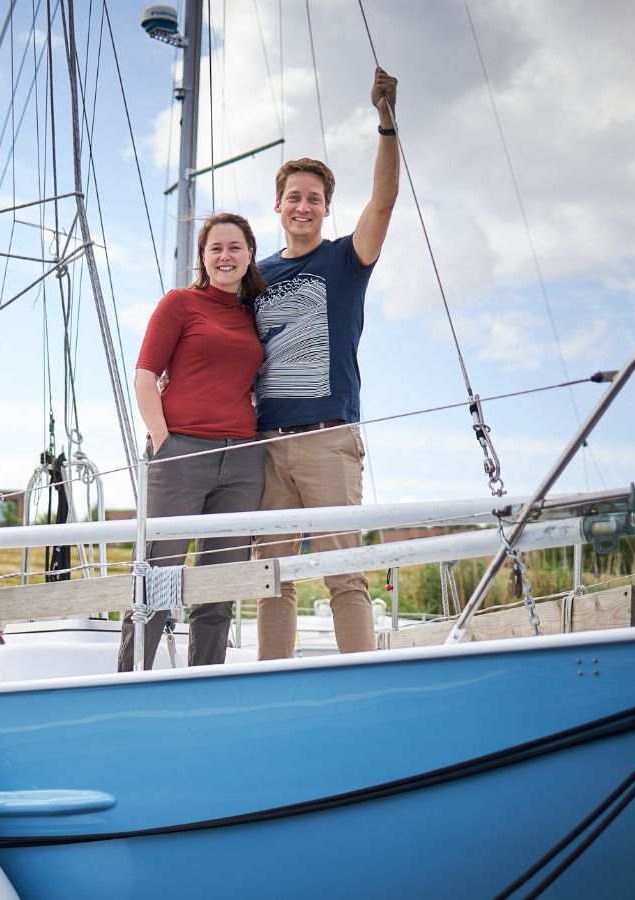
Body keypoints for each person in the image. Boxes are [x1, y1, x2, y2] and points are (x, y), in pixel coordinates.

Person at [253, 67, 400, 660]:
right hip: (264, 443)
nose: (304, 206)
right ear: (279, 205)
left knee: (346, 571)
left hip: (328, 441)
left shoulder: (347, 260)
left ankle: (360, 681)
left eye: (315, 199)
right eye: (295, 197)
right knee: (271, 578)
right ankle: (270, 684)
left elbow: (385, 202)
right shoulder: (256, 276)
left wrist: (387, 123)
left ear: (326, 208)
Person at [117, 213, 268, 671]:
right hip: (180, 453)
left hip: (243, 460)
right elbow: (145, 376)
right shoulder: (180, 303)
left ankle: (204, 681)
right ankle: (129, 685)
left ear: (249, 255)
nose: (226, 256)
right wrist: (164, 441)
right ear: (203, 258)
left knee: (218, 588)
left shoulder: (252, 313)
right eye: (216, 248)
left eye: (235, 247)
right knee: (155, 582)